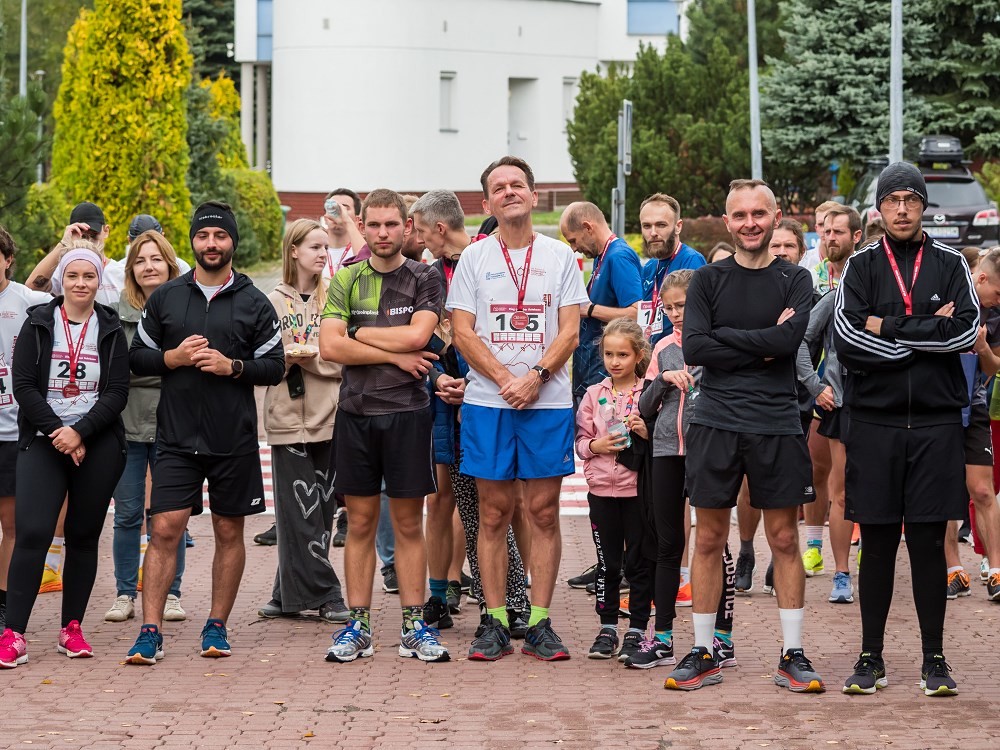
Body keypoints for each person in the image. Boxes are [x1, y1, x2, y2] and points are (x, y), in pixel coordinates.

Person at [667, 179, 822, 693]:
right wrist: (764, 344)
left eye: (759, 213)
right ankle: (703, 651)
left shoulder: (795, 278)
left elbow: (790, 340)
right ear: (727, 221)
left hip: (777, 420)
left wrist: (727, 338)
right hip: (715, 419)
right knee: (710, 537)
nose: (750, 223)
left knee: (784, 538)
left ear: (775, 217)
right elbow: (695, 348)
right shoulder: (707, 280)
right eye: (740, 215)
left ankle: (793, 653)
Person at [834, 162, 979, 697]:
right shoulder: (861, 266)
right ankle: (870, 657)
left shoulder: (951, 263)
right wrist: (922, 333)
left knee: (926, 541)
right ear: (879, 208)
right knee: (876, 542)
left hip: (937, 422)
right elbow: (848, 338)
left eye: (910, 200)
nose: (901, 210)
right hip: (875, 422)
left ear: (923, 207)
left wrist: (888, 326)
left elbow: (964, 331)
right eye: (892, 201)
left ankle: (934, 659)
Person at [124, 201, 284, 665]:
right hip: (176, 437)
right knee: (164, 528)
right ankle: (150, 631)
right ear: (192, 241)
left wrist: (233, 366)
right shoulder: (167, 298)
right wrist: (171, 358)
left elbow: (275, 366)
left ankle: (216, 625)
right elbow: (137, 357)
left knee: (228, 530)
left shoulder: (255, 301)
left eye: (220, 236)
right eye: (203, 236)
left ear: (232, 241)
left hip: (233, 438)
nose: (211, 244)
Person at [449, 156, 589, 661]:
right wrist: (507, 379)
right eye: (498, 187)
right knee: (493, 512)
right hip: (489, 402)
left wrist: (536, 377)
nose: (509, 192)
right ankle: (494, 620)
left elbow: (570, 330)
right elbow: (462, 331)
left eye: (517, 184)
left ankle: (540, 622)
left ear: (533, 195)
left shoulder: (559, 256)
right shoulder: (474, 258)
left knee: (543, 512)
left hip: (547, 402)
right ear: (487, 203)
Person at [319, 188, 448, 664]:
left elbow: (419, 335)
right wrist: (395, 355)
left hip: (409, 413)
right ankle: (359, 626)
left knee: (409, 524)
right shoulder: (346, 278)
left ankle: (414, 626)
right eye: (373, 224)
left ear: (407, 226)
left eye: (391, 223)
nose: (382, 232)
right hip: (355, 413)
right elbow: (329, 347)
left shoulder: (424, 276)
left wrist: (357, 332)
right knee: (360, 524)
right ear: (363, 227)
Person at [0, 243, 129, 668]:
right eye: (72, 276)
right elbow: (24, 385)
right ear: (61, 281)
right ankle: (14, 633)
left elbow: (117, 391)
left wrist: (81, 431)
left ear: (98, 281)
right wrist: (61, 432)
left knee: (84, 535)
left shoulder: (110, 326)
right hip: (45, 439)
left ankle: (71, 628)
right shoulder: (39, 321)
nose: (80, 283)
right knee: (33, 532)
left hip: (97, 441)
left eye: (88, 276)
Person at [632, 269, 736, 671]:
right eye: (669, 307)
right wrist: (663, 381)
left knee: (713, 542)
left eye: (684, 306)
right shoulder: (662, 348)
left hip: (708, 449)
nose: (676, 314)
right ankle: (662, 638)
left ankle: (721, 637)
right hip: (665, 451)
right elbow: (644, 406)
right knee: (667, 544)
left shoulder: (719, 341)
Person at [256, 219, 348, 623]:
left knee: (322, 510)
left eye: (325, 247)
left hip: (330, 415)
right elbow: (262, 362)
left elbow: (346, 357)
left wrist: (313, 359)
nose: (323, 254)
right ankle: (327, 594)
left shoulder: (336, 298)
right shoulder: (270, 302)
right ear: (293, 251)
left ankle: (285, 595)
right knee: (297, 512)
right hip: (286, 417)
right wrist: (286, 359)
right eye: (314, 247)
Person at [104, 231, 188, 624]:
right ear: (131, 270)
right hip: (126, 425)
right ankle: (125, 593)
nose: (148, 267)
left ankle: (171, 593)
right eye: (140, 260)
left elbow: (190, 365)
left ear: (169, 264)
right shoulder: (114, 312)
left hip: (174, 423)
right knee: (127, 513)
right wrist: (169, 362)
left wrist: (150, 366)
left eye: (155, 259)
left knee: (169, 517)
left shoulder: (186, 308)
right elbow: (116, 372)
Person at [792, 206, 863, 605]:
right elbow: (802, 342)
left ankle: (874, 560)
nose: (830, 238)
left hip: (885, 405)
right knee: (840, 488)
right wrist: (816, 385)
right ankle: (841, 573)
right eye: (826, 232)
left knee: (882, 488)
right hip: (840, 404)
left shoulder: (885, 296)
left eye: (839, 231)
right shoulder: (832, 296)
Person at [574, 318, 651, 660]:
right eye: (609, 354)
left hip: (637, 492)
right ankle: (607, 628)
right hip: (602, 492)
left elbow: (663, 438)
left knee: (638, 563)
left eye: (623, 354)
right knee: (608, 563)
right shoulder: (594, 394)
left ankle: (637, 628)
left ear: (638, 356)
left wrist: (645, 431)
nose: (615, 361)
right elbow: (581, 442)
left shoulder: (649, 392)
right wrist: (596, 446)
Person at [0, 226, 52, 632]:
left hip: (13, 433)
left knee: (12, 525)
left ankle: (4, 603)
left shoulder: (28, 300)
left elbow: (72, 294)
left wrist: (66, 247)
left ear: (8, 260)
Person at [943, 247, 1000, 603]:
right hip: (940, 408)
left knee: (982, 490)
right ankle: (954, 570)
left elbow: (993, 368)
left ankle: (996, 570)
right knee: (945, 491)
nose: (999, 300)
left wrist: (981, 348)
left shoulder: (994, 315)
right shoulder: (949, 297)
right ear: (981, 278)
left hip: (974, 407)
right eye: (998, 292)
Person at [559, 202, 643, 407]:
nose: (574, 248)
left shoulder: (619, 257)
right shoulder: (601, 255)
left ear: (588, 227)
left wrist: (589, 310)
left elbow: (637, 313)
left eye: (573, 240)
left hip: (605, 379)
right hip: (590, 375)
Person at [637, 194, 706, 344]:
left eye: (661, 225)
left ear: (678, 226)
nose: (653, 233)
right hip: (652, 351)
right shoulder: (649, 267)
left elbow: (698, 319)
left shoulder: (691, 260)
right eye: (647, 226)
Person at [320, 188, 367, 277]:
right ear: (325, 218)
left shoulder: (361, 249)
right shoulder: (317, 251)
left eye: (344, 207)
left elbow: (366, 263)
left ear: (357, 219)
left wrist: (347, 222)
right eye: (332, 207)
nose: (338, 212)